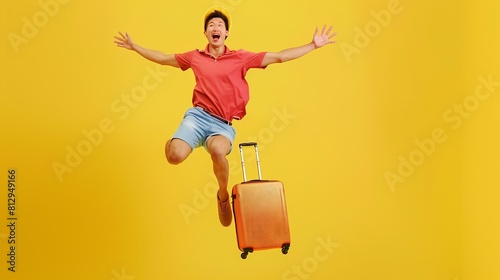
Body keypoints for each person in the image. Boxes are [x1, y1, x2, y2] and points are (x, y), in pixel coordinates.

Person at [114, 6, 336, 227]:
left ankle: (222, 196)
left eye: (220, 24)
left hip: (222, 125)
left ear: (226, 33)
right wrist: (135, 47)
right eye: (211, 25)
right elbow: (163, 59)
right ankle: (172, 144)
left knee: (219, 150)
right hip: (197, 118)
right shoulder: (195, 57)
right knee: (174, 157)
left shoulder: (241, 58)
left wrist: (313, 45)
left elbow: (280, 57)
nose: (215, 27)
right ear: (206, 34)